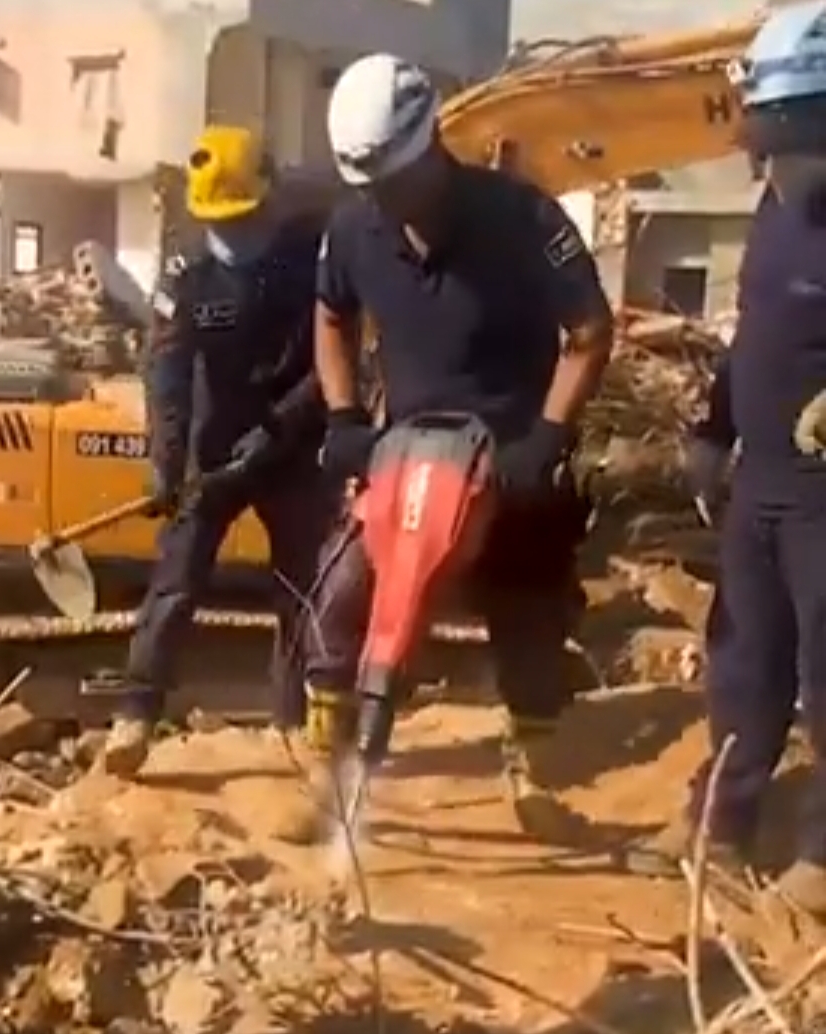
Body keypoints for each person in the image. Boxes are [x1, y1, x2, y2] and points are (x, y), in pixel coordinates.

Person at [301, 53, 615, 836]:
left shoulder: (525, 219)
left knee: (530, 615)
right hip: (402, 453)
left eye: (397, 184)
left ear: (431, 145)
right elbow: (331, 315)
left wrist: (547, 436)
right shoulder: (354, 229)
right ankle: (328, 770)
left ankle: (535, 778)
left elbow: (589, 330)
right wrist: (343, 418)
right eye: (373, 189)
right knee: (340, 595)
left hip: (508, 452)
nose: (388, 202)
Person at [625, 0, 826, 917]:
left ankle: (820, 864)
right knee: (744, 663)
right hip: (763, 484)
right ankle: (722, 825)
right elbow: (754, 338)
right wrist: (713, 429)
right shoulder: (774, 207)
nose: (776, 166)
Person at [102, 125, 330, 777]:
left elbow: (333, 363)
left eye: (244, 217)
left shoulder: (309, 264)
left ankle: (294, 730)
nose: (234, 232)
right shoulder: (189, 276)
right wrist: (166, 461)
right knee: (175, 584)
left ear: (267, 203)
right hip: (215, 446)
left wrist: (281, 430)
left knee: (300, 593)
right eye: (220, 221)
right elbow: (167, 371)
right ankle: (135, 716)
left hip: (291, 444)